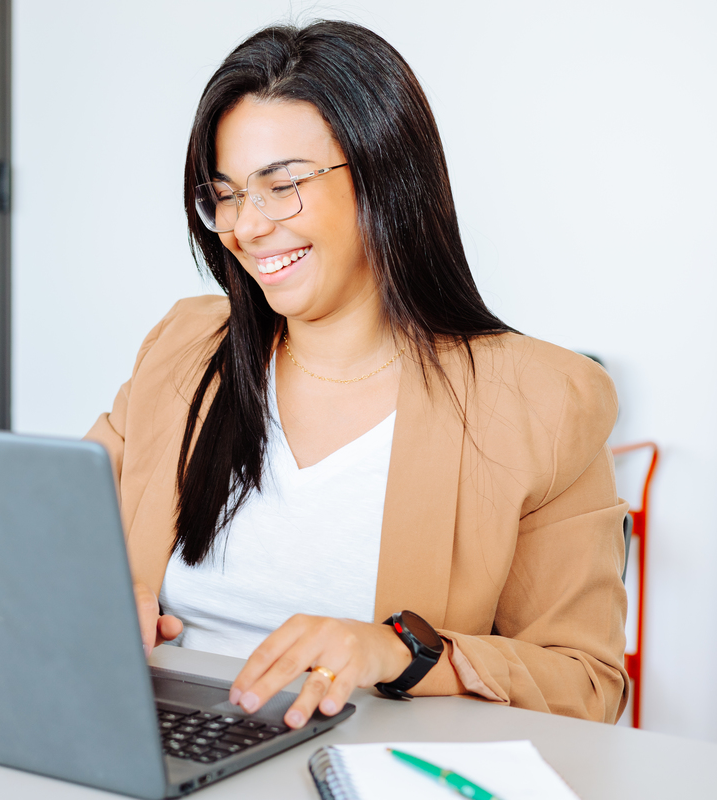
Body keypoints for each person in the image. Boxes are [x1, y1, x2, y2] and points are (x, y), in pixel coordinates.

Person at [85, 20, 629, 727]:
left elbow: (586, 683)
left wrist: (399, 652)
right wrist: (99, 589)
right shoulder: (185, 348)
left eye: (281, 186)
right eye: (225, 193)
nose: (246, 227)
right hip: (150, 743)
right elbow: (45, 526)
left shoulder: (542, 401)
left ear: (385, 175)